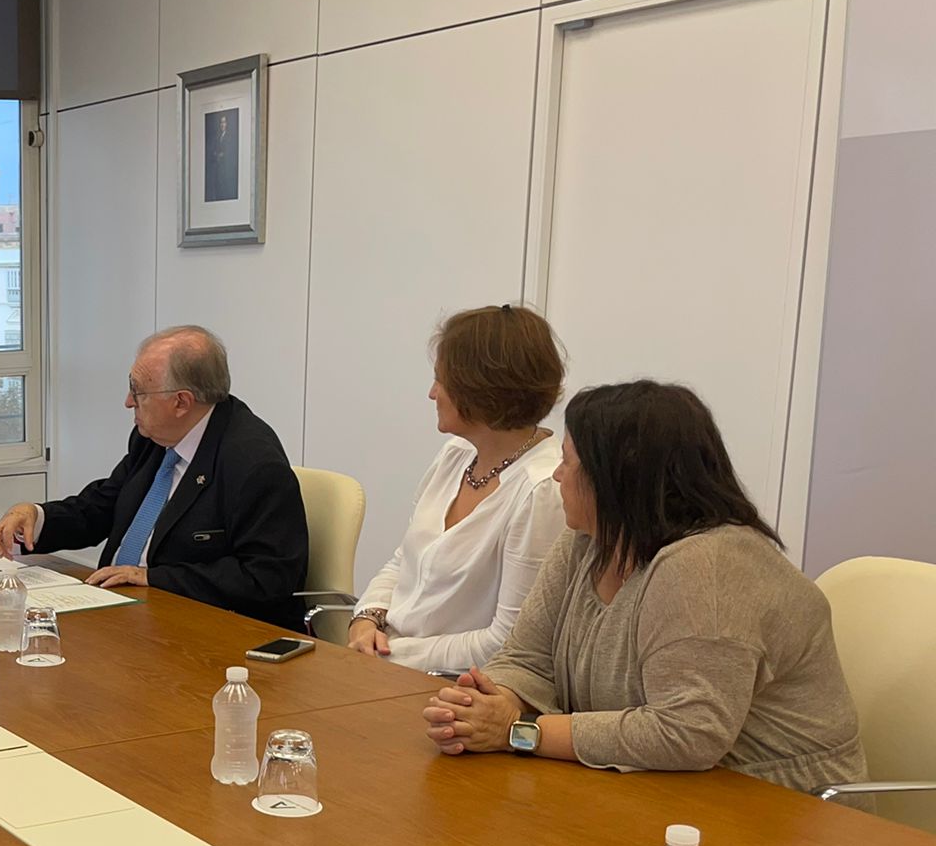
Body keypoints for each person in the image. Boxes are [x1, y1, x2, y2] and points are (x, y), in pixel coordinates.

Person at [423, 380, 866, 793]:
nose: (557, 475)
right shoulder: (588, 539)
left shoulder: (705, 566)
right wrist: (485, 708)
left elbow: (686, 734)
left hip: (778, 806)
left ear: (615, 478)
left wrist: (517, 732)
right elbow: (528, 659)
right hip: (654, 789)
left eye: (568, 461)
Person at [0, 325, 308, 626]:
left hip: (207, 629)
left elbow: (266, 577)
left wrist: (152, 577)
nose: (128, 402)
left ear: (181, 402)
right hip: (124, 611)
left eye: (137, 392)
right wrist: (37, 517)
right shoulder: (154, 438)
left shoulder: (253, 463)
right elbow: (104, 506)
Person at [350, 305, 568, 671]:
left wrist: (392, 655)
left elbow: (508, 642)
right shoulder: (456, 454)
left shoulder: (542, 491)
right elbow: (404, 560)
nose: (432, 393)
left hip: (452, 685)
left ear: (481, 391)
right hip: (389, 666)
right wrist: (366, 619)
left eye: (441, 381)